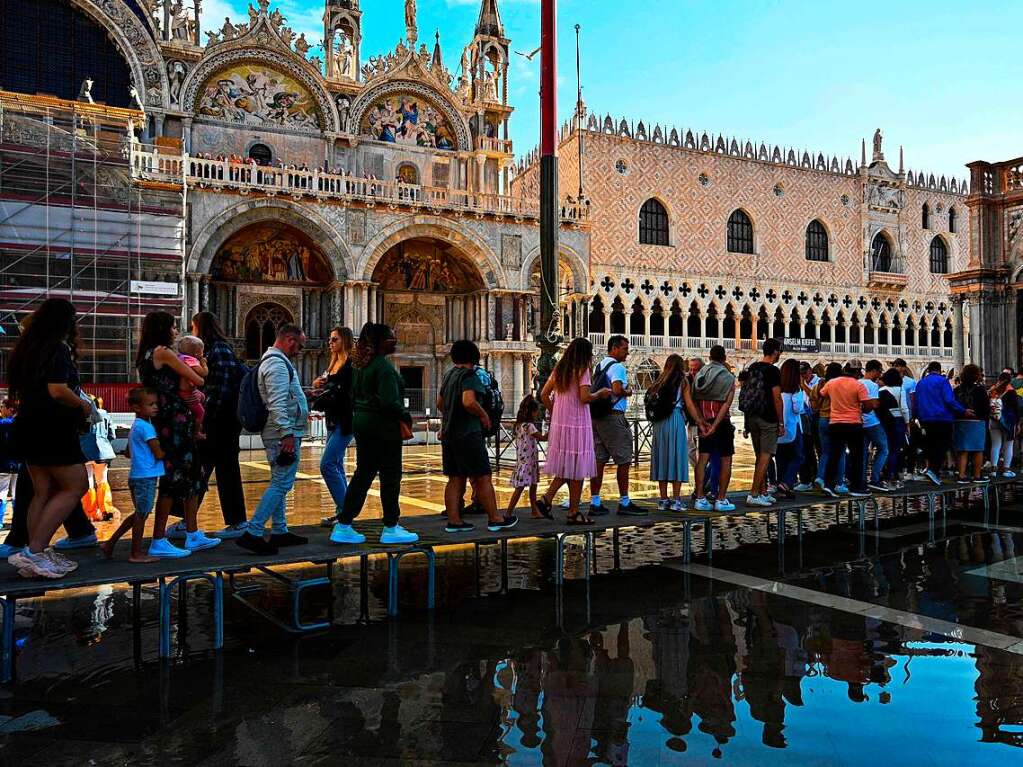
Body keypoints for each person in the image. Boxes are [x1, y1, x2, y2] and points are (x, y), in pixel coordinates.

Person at [6, 298, 91, 578]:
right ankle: (35, 551)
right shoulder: (57, 348)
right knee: (75, 486)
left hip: (29, 425)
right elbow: (57, 390)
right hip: (53, 428)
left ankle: (34, 550)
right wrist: (83, 405)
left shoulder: (28, 348)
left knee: (42, 490)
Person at [137, 310, 219, 558]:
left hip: (174, 418)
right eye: (172, 327)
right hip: (173, 421)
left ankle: (192, 533)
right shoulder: (163, 352)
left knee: (193, 472)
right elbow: (198, 379)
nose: (175, 331)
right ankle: (159, 538)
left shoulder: (147, 354)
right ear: (162, 329)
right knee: (173, 479)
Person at [330, 323, 419, 545]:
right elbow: (390, 402)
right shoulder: (383, 368)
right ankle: (391, 526)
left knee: (363, 475)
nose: (395, 340)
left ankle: (344, 524)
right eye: (391, 337)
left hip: (362, 423)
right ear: (380, 342)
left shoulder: (361, 366)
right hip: (383, 426)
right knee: (390, 476)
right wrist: (405, 416)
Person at [237, 323, 310, 554]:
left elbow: (280, 396)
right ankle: (254, 532)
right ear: (289, 340)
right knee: (281, 483)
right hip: (281, 434)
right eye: (299, 346)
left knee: (278, 481)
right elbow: (277, 403)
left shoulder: (274, 362)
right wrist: (287, 433)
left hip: (278, 432)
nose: (299, 351)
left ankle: (279, 530)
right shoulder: (277, 364)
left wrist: (304, 396)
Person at [437, 340, 517, 533]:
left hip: (450, 434)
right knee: (482, 476)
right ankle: (495, 518)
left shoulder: (448, 375)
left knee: (455, 478)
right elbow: (468, 401)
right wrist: (483, 415)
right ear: (475, 357)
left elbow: (439, 403)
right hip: (468, 434)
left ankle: (454, 521)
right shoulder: (470, 375)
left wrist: (451, 417)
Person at [536, 338, 611, 524]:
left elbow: (543, 395)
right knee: (577, 468)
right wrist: (600, 394)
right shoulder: (582, 370)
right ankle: (572, 512)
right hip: (578, 423)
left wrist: (556, 411)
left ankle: (548, 500)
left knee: (568, 465)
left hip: (561, 424)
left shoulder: (559, 370)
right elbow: (585, 397)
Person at [192, 311, 248, 537]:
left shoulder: (219, 349)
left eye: (194, 327)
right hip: (219, 419)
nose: (192, 332)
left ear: (201, 328)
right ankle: (187, 519)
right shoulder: (213, 350)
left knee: (222, 468)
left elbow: (220, 388)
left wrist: (204, 418)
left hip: (220, 420)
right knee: (202, 468)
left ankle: (238, 522)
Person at [100, 388, 164, 563]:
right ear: (137, 407)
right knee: (141, 515)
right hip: (146, 477)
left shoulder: (136, 427)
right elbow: (158, 453)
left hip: (136, 476)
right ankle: (136, 553)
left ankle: (110, 544)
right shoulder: (147, 428)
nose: (155, 407)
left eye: (155, 404)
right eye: (151, 405)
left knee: (139, 514)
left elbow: (128, 452)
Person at [590, 335, 641, 516]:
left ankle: (595, 501)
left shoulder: (599, 365)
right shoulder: (618, 367)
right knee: (624, 459)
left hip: (597, 417)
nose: (627, 352)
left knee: (599, 460)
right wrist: (628, 391)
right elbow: (618, 389)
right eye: (624, 349)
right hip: (613, 417)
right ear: (614, 348)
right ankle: (624, 502)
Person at [647, 354, 703, 511]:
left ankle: (663, 500)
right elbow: (690, 405)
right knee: (676, 457)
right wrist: (699, 421)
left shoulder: (658, 381)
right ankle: (677, 500)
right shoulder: (682, 381)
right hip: (675, 420)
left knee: (662, 457)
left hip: (659, 423)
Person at [312, 326, 355, 527]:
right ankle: (343, 511)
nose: (330, 343)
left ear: (345, 341)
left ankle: (346, 511)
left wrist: (329, 387)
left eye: (334, 339)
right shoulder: (333, 364)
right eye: (330, 339)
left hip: (345, 420)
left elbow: (347, 392)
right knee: (336, 464)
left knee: (327, 464)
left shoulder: (351, 365)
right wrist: (319, 384)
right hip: (332, 419)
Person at [692, 344, 737, 512]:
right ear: (724, 357)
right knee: (726, 459)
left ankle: (700, 498)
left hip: (704, 422)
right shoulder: (728, 377)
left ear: (710, 357)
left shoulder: (700, 375)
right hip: (721, 423)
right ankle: (721, 499)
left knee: (702, 460)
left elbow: (694, 401)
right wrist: (715, 425)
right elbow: (726, 405)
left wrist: (702, 423)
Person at [740, 338, 784, 507]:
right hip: (767, 418)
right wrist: (780, 423)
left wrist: (745, 423)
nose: (780, 354)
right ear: (774, 352)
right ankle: (753, 494)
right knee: (766, 456)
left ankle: (763, 492)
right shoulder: (773, 371)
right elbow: (777, 398)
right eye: (779, 351)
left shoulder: (753, 367)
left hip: (752, 416)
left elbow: (747, 393)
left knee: (760, 456)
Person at [819, 363, 873, 498]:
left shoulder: (832, 383)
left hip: (835, 423)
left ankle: (828, 485)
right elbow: (868, 406)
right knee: (857, 457)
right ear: (857, 372)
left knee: (834, 455)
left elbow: (822, 393)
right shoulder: (859, 385)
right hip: (854, 424)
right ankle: (856, 487)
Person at [915, 360, 971, 486]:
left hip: (925, 418)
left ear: (928, 370)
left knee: (931, 444)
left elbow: (916, 401)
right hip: (942, 418)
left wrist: (916, 416)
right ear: (939, 370)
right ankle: (934, 470)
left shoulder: (921, 383)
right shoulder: (943, 381)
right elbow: (949, 400)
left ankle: (930, 469)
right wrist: (963, 411)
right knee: (943, 445)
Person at [507, 395, 546, 519]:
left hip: (523, 460)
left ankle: (534, 510)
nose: (537, 415)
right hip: (529, 462)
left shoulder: (519, 425)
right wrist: (554, 430)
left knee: (531, 486)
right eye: (536, 412)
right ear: (532, 412)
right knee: (522, 488)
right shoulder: (529, 426)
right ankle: (508, 512)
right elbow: (542, 437)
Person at [812, 363, 847, 495]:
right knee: (841, 453)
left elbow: (814, 405)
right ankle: (839, 483)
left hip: (822, 419)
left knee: (825, 452)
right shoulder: (842, 386)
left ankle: (820, 477)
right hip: (837, 420)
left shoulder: (820, 385)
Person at [953, 364, 990, 484]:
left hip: (960, 421)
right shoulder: (980, 390)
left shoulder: (957, 389)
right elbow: (986, 407)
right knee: (978, 449)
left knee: (962, 450)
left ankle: (962, 476)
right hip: (976, 421)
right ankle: (977, 475)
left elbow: (953, 405)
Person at [774, 359, 806, 498]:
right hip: (793, 426)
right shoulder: (796, 389)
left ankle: (782, 487)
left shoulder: (777, 389)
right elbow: (798, 409)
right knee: (798, 456)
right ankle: (786, 483)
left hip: (778, 426)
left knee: (781, 458)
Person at [860, 360, 888, 492]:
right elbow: (874, 405)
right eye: (879, 371)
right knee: (883, 449)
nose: (879, 374)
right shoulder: (872, 385)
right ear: (874, 370)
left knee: (864, 452)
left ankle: (862, 480)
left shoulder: (857, 383)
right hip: (873, 422)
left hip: (860, 423)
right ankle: (875, 479)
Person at [878, 368, 910, 487]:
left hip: (884, 422)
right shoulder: (900, 390)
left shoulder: (881, 390)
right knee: (895, 450)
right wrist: (907, 423)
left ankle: (883, 474)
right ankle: (893, 475)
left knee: (885, 449)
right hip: (897, 421)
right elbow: (904, 408)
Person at [176, 335, 209, 440]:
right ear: (197, 353)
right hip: (188, 393)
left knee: (202, 396)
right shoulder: (191, 360)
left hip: (188, 391)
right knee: (201, 412)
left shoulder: (180, 358)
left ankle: (197, 421)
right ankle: (197, 431)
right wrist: (204, 364)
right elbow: (203, 373)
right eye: (202, 351)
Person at [989, 371, 1019, 478]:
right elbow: (1016, 409)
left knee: (995, 445)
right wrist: (1018, 423)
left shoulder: (993, 390)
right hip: (1008, 422)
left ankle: (993, 470)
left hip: (993, 420)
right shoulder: (1011, 392)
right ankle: (1006, 470)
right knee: (1008, 445)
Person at [795, 362, 819, 491]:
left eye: (805, 372)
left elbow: (815, 397)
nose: (803, 375)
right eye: (801, 374)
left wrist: (803, 385)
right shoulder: (798, 384)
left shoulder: (819, 382)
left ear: (810, 370)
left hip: (816, 418)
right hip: (803, 418)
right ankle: (806, 479)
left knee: (819, 450)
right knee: (805, 449)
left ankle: (818, 478)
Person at [0, 399, 16, 523]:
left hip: (4, 463)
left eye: (2, 407)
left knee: (1, 494)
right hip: (18, 464)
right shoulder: (20, 423)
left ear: (9, 409)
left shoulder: (2, 423)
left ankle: (0, 521)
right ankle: (17, 522)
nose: (1, 409)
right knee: (17, 494)